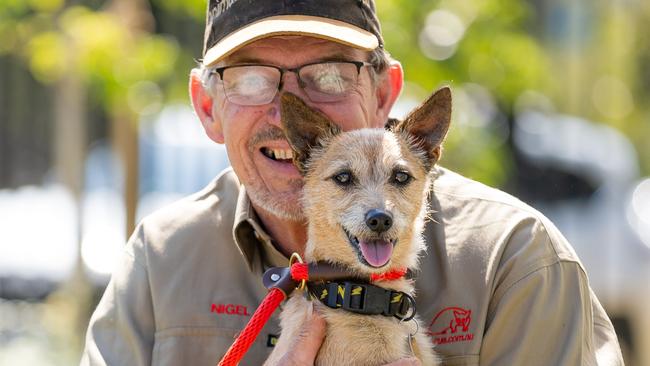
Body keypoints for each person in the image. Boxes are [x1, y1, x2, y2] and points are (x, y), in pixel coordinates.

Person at [81, 1, 624, 365]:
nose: (287, 109)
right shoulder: (161, 262)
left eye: (332, 73)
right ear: (207, 105)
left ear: (386, 93)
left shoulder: (517, 258)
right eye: (250, 77)